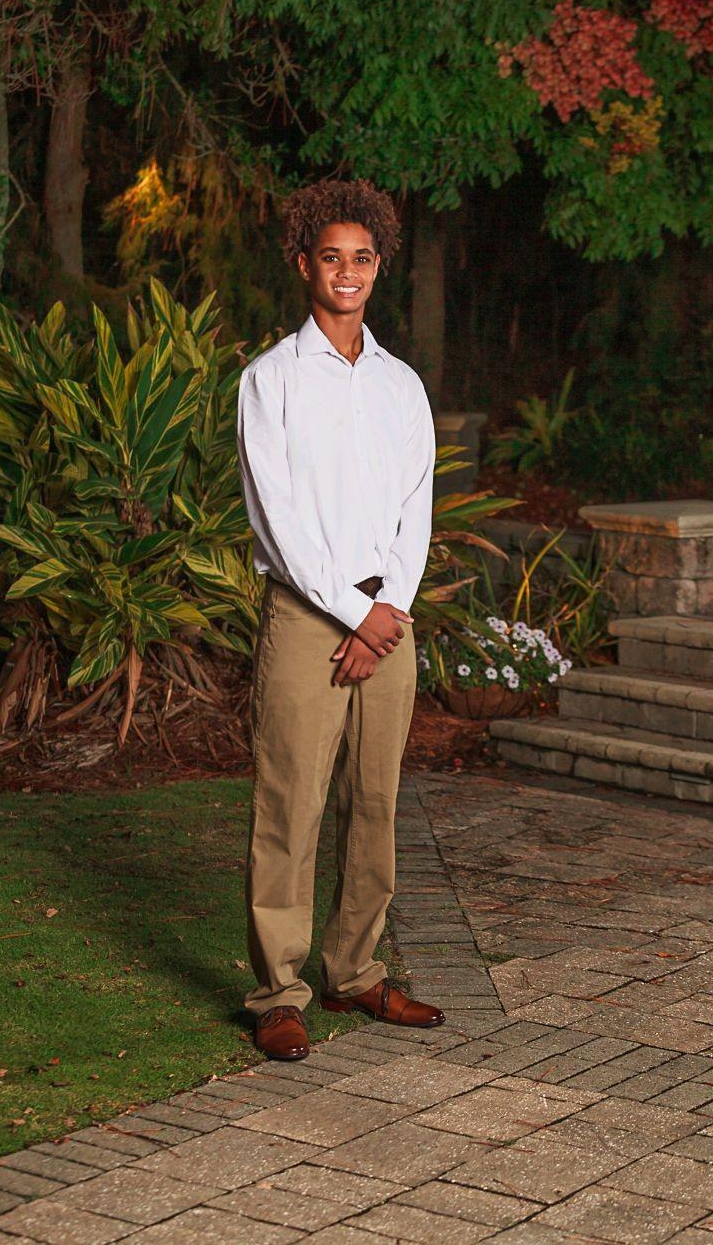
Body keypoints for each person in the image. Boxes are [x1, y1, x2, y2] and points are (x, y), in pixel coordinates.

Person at [236, 178, 445, 1061]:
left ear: (378, 266)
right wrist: (358, 616)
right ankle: (277, 993)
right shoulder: (270, 380)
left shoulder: (401, 386)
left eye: (362, 257)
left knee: (375, 803)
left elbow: (415, 506)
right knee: (291, 804)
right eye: (331, 257)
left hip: (388, 616)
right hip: (306, 616)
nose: (347, 271)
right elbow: (277, 521)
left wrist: (389, 608)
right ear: (304, 265)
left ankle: (354, 972)